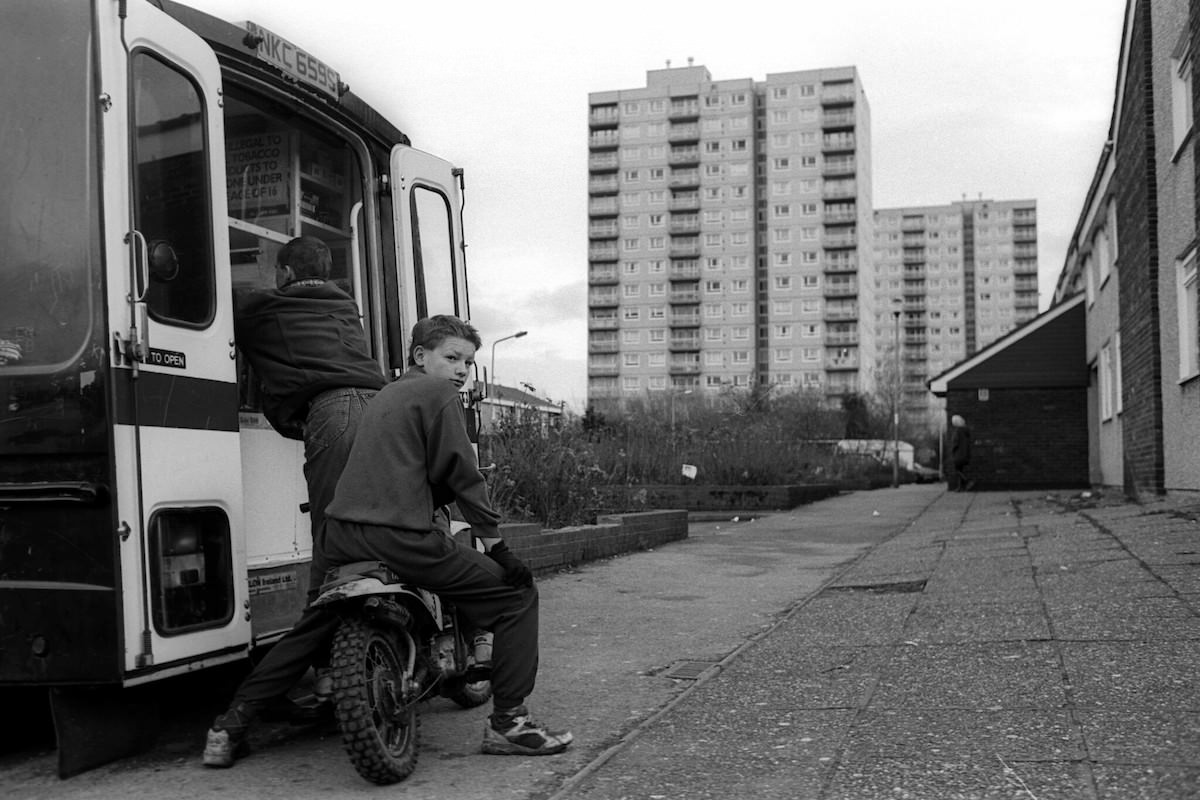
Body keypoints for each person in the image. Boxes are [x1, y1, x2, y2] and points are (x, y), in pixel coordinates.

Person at [320, 314, 572, 756]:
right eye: (452, 358)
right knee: (516, 598)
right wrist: (497, 544)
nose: (461, 370)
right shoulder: (437, 394)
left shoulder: (387, 395)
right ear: (421, 356)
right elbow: (464, 476)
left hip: (343, 535)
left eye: (469, 363)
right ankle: (509, 722)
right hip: (402, 536)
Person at [203, 236, 386, 767]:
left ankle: (236, 719)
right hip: (380, 411)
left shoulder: (266, 305)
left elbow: (215, 318)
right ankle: (338, 674)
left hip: (338, 415)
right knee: (382, 542)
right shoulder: (344, 305)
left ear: (283, 271)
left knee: (329, 568)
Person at [949, 414, 974, 491]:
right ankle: (960, 487)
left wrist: (952, 450)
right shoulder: (965, 431)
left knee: (957, 470)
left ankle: (967, 481)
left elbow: (955, 443)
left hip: (958, 454)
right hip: (965, 454)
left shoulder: (958, 431)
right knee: (960, 470)